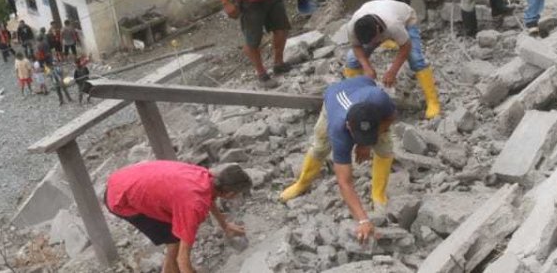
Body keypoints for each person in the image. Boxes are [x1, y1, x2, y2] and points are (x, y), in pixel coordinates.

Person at [280, 76, 396, 244]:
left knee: (385, 149)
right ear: (349, 126)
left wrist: (367, 143)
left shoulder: (380, 99)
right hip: (333, 99)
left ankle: (378, 195)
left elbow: (391, 117)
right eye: (358, 137)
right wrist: (363, 220)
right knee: (320, 147)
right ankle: (302, 183)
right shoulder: (338, 129)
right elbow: (344, 183)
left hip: (361, 86)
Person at [106, 161, 250, 273]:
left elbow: (209, 197)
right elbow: (183, 260)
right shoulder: (194, 206)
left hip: (122, 178)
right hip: (120, 200)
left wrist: (225, 225)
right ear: (230, 194)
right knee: (174, 239)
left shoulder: (205, 175)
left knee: (175, 234)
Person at [341, 0, 441, 119]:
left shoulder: (393, 24)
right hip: (378, 15)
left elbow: (406, 47)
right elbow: (356, 46)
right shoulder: (352, 27)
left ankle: (433, 101)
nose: (372, 43)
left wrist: (392, 72)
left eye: (374, 40)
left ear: (378, 30)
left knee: (416, 60)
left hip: (405, 19)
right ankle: (355, 98)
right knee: (352, 60)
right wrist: (367, 67)